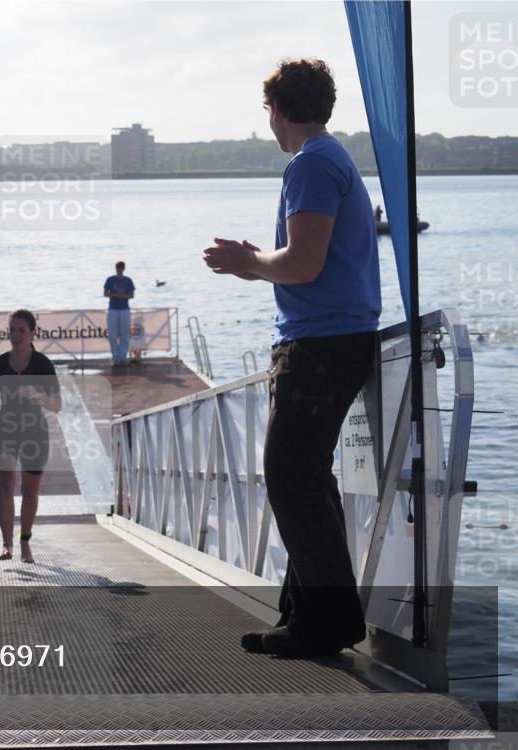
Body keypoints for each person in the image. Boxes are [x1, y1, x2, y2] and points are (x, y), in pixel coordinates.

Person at [202, 58, 380, 658]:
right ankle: (307, 617)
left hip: (320, 346)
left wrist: (246, 263)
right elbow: (309, 263)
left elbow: (302, 264)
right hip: (334, 339)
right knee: (306, 477)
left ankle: (327, 622)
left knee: (290, 476)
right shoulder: (332, 158)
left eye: (269, 113)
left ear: (276, 111)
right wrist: (257, 263)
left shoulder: (310, 164)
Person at [0, 310, 61, 563]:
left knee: (30, 492)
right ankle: (6, 543)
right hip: (5, 428)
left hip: (34, 431)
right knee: (6, 484)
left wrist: (38, 395)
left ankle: (24, 541)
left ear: (33, 333)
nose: (16, 334)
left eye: (21, 330)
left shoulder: (42, 364)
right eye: (12, 329)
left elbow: (57, 404)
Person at [103, 261, 135, 365]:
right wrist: (115, 295)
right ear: (116, 268)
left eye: (121, 267)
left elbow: (131, 295)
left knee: (124, 334)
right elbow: (105, 293)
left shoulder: (128, 280)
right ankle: (115, 356)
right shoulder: (110, 279)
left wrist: (121, 296)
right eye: (118, 267)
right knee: (112, 335)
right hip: (113, 309)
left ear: (124, 268)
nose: (119, 269)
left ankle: (123, 356)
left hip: (124, 309)